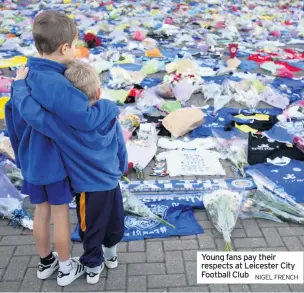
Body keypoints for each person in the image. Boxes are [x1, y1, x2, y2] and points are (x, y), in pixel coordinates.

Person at [5, 10, 107, 286]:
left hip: (31, 161)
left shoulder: (21, 77)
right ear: (64, 48)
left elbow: (12, 121)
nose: (76, 50)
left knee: (41, 212)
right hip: (57, 163)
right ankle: (65, 267)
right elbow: (80, 120)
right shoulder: (59, 83)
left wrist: (21, 155)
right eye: (74, 45)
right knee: (60, 214)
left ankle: (45, 262)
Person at [12, 58, 127, 285]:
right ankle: (112, 256)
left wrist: (19, 86)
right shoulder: (111, 115)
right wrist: (119, 171)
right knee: (114, 221)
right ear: (99, 91)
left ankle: (93, 266)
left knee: (90, 229)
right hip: (112, 184)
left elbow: (34, 115)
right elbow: (121, 149)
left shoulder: (65, 125)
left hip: (88, 189)